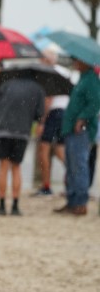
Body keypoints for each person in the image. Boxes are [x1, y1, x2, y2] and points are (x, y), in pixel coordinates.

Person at [0, 77, 45, 216]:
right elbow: (39, 114)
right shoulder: (37, 88)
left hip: (3, 130)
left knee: (3, 166)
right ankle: (15, 205)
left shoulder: (6, 85)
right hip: (22, 132)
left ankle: (2, 205)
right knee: (16, 167)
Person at [54, 58, 100, 216]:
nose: (75, 62)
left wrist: (82, 118)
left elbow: (95, 103)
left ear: (86, 62)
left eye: (77, 60)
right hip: (71, 130)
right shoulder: (82, 79)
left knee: (79, 166)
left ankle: (80, 203)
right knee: (71, 166)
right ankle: (72, 200)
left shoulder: (91, 80)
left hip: (81, 131)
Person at [34, 48, 68, 196]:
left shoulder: (49, 74)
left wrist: (41, 122)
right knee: (60, 149)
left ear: (46, 60)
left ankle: (46, 186)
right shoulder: (64, 71)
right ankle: (75, 177)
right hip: (66, 112)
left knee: (44, 149)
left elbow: (48, 99)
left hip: (53, 112)